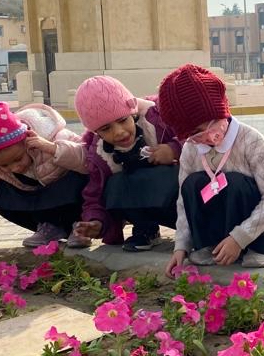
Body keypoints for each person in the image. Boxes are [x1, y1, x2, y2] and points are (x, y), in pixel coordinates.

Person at [157, 64, 264, 275]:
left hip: (263, 224)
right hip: (223, 222)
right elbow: (183, 202)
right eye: (191, 134)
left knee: (234, 181)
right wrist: (181, 246)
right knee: (192, 184)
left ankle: (259, 247)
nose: (198, 138)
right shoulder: (191, 149)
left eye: (200, 129)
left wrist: (239, 238)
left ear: (219, 113)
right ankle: (208, 244)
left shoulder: (251, 141)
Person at [0, 96, 89, 248]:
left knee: (77, 174)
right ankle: (50, 227)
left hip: (76, 202)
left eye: (18, 159)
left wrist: (53, 149)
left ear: (27, 140)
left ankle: (82, 226)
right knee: (2, 192)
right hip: (47, 205)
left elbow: (88, 158)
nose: (14, 168)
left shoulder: (57, 137)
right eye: (4, 165)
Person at [71, 76, 181, 252]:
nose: (119, 132)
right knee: (115, 184)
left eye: (123, 120)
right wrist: (97, 222)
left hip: (179, 203)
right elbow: (94, 195)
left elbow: (196, 138)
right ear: (96, 132)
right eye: (106, 129)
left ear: (133, 113)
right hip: (147, 207)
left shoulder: (159, 122)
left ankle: (196, 229)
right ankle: (145, 229)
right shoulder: (100, 155)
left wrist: (174, 149)